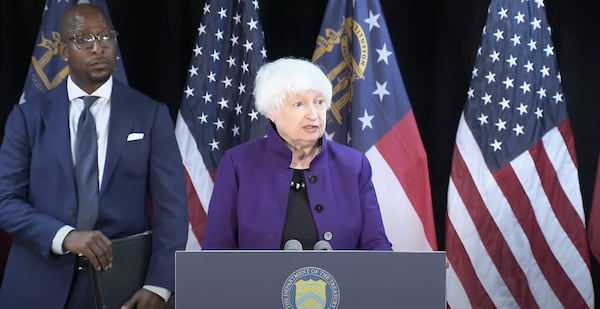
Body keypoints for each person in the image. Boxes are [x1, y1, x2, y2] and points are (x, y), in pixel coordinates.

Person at [0, 4, 187, 308]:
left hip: (121, 288)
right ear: (63, 51)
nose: (98, 48)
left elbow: (173, 211)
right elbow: (5, 201)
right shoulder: (27, 117)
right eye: (84, 40)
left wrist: (159, 285)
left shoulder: (150, 114)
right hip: (35, 287)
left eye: (105, 37)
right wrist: (64, 236)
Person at [202, 57, 392, 251]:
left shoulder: (353, 165)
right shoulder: (238, 164)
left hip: (342, 282)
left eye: (319, 102)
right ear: (272, 112)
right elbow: (216, 251)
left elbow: (376, 245)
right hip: (258, 282)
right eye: (299, 104)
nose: (313, 114)